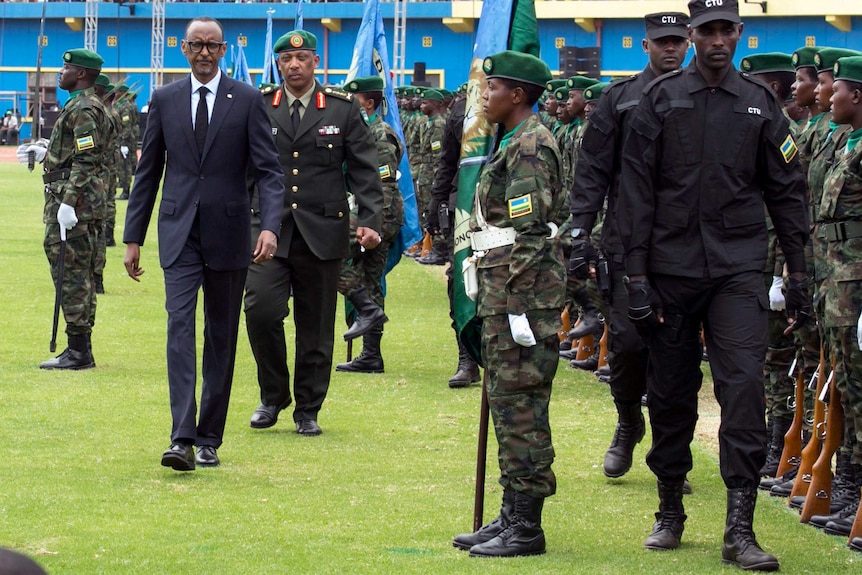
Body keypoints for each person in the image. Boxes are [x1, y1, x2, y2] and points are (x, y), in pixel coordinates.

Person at [618, 0, 810, 569]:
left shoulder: (759, 103)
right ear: (694, 35)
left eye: (727, 30)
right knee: (671, 394)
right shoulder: (658, 99)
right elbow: (635, 192)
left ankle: (740, 528)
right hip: (670, 270)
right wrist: (634, 274)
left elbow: (787, 191)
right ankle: (670, 510)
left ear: (740, 34)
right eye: (708, 31)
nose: (717, 40)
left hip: (737, 268)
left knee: (744, 387)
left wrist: (798, 271)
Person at [123, 16, 285, 471]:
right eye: (196, 45)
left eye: (212, 46)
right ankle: (181, 437)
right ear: (183, 48)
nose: (204, 53)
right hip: (177, 235)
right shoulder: (164, 99)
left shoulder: (248, 100)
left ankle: (209, 436)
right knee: (179, 330)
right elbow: (148, 171)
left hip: (230, 235)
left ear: (224, 50)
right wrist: (132, 236)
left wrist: (269, 227)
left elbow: (269, 172)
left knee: (220, 336)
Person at [452, 50, 567, 558]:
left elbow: (532, 231)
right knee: (507, 402)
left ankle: (527, 526)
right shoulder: (514, 141)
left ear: (517, 94)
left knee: (521, 407)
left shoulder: (530, 145)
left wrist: (517, 302)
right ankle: (511, 512)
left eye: (493, 88)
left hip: (522, 297)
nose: (485, 95)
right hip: (506, 293)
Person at [244, 30, 383, 436]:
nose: (294, 65)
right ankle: (272, 396)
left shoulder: (341, 108)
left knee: (316, 325)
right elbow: (243, 167)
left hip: (322, 230)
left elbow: (364, 169)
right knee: (261, 311)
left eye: (302, 57)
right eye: (287, 59)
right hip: (267, 230)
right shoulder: (261, 105)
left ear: (315, 61)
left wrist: (371, 219)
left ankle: (308, 407)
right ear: (277, 65)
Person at [571, 11, 690, 479]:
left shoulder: (704, 96)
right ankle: (627, 422)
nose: (671, 49)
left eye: (678, 41)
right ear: (645, 46)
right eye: (661, 41)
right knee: (626, 345)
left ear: (689, 43)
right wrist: (581, 229)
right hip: (625, 241)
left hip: (683, 244)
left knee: (675, 355)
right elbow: (593, 167)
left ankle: (669, 450)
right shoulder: (619, 99)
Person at [18, 48, 110, 371]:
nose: (61, 71)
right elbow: (76, 154)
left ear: (82, 74)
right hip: (76, 198)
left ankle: (78, 350)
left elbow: (86, 159)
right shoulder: (81, 106)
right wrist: (47, 154)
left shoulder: (84, 107)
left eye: (66, 67)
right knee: (77, 272)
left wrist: (68, 202)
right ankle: (79, 346)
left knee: (71, 273)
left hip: (76, 203)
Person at [334, 75, 405, 373]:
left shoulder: (380, 133)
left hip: (380, 213)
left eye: (355, 100)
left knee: (328, 251)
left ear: (369, 102)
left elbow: (384, 184)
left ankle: (365, 307)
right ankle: (371, 354)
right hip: (365, 210)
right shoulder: (361, 129)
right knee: (371, 279)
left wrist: (372, 223)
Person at [425, 84, 482, 388]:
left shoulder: (511, 103)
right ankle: (467, 358)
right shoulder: (460, 109)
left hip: (501, 205)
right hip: (462, 205)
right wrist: (436, 205)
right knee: (459, 281)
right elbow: (447, 161)